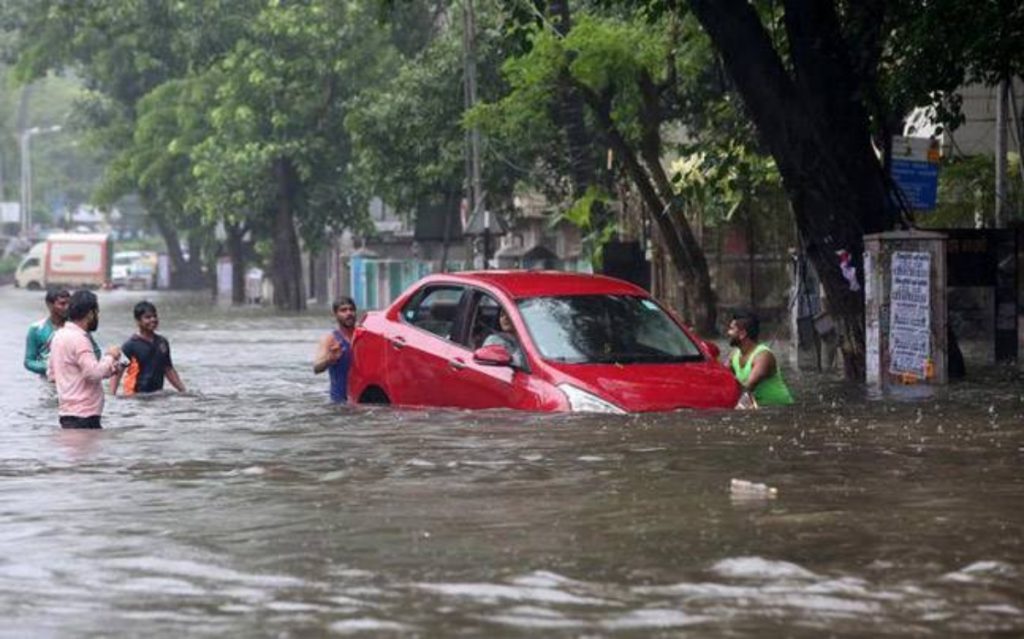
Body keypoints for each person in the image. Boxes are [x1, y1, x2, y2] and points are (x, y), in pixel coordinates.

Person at [47, 290, 122, 429]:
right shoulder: (80, 339)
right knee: (88, 450)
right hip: (85, 416)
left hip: (66, 414)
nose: (97, 317)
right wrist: (110, 356)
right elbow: (92, 374)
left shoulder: (58, 336)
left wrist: (110, 369)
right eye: (97, 312)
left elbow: (52, 375)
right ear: (90, 313)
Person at [110, 301, 186, 395]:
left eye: (155, 316)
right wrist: (112, 394)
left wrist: (183, 390)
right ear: (138, 321)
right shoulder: (130, 345)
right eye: (148, 317)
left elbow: (168, 369)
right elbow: (118, 371)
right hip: (135, 396)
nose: (153, 320)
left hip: (157, 394)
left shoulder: (162, 342)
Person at [726, 311, 793, 407]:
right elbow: (721, 377)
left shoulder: (763, 356)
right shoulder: (734, 355)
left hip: (779, 409)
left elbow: (748, 387)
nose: (728, 333)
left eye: (731, 329)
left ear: (742, 334)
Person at [313, 297, 356, 403]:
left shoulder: (364, 335)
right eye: (343, 310)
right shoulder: (330, 339)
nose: (349, 313)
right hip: (339, 403)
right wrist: (330, 359)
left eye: (351, 309)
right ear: (335, 314)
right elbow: (316, 368)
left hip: (362, 400)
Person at [24, 288, 70, 376]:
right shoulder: (36, 329)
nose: (67, 307)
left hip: (73, 382)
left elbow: (95, 352)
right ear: (49, 305)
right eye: (62, 304)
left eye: (69, 304)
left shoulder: (77, 328)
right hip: (46, 384)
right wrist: (50, 367)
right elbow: (29, 361)